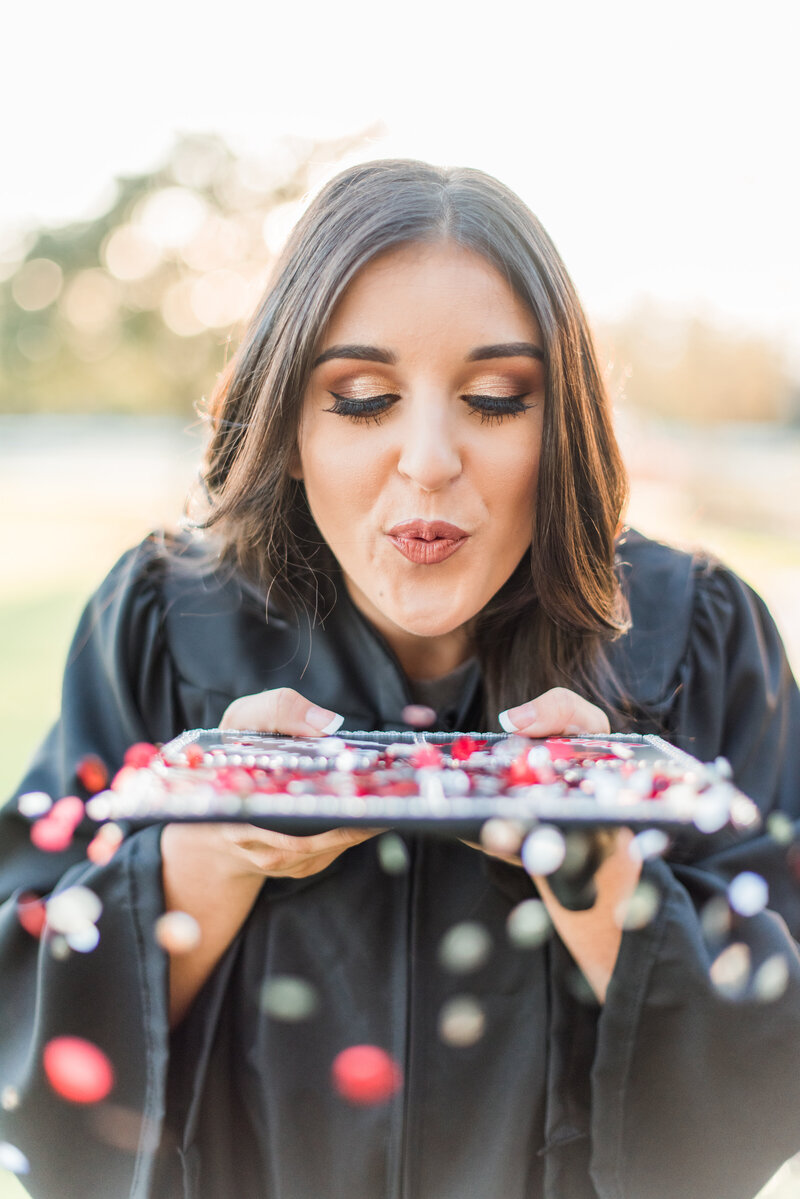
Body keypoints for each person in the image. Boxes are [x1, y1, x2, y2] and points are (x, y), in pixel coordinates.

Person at [1, 159, 799, 1199]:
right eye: (363, 398)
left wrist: (602, 881)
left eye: (495, 398)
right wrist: (202, 860)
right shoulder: (160, 622)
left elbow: (777, 1060)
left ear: (559, 425)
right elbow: (22, 1008)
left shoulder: (694, 633)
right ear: (289, 423)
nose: (427, 459)